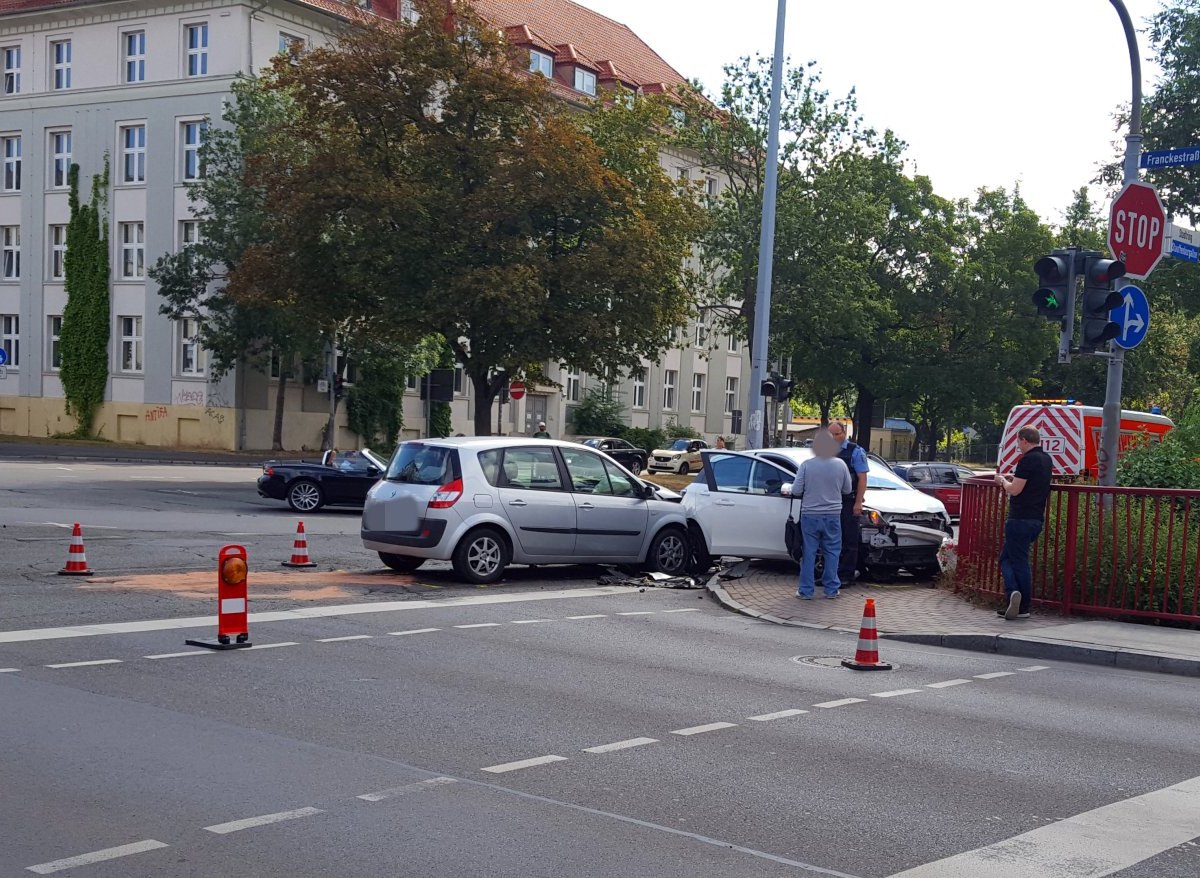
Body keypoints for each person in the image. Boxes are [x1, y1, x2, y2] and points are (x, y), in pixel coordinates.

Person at [783, 430, 852, 599]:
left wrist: (789, 488)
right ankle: (831, 589)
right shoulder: (841, 465)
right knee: (833, 552)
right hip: (833, 515)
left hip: (810, 515)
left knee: (809, 553)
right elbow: (847, 489)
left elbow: (797, 490)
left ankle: (806, 591)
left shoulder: (807, 465)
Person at [995, 425, 1053, 620]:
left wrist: (1003, 481)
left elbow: (1015, 490)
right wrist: (1014, 479)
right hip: (1036, 518)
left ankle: (1014, 595)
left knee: (1011, 560)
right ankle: (1021, 605)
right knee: (1017, 559)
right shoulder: (1046, 459)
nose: (1018, 445)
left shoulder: (1027, 460)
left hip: (1019, 518)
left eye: (1018, 441)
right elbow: (1029, 483)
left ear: (1024, 440)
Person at [828, 421, 869, 586]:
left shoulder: (855, 452)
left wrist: (858, 502)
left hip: (848, 500)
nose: (833, 438)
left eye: (837, 434)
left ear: (844, 433)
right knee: (830, 539)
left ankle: (846, 575)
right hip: (829, 500)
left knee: (848, 539)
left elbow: (862, 479)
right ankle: (831, 575)